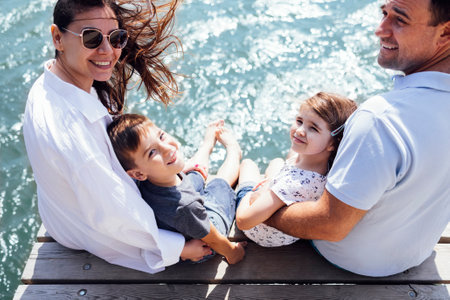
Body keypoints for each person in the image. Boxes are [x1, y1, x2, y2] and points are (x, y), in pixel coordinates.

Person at [257, 0, 450, 276]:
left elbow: (329, 225)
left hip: (350, 263)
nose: (380, 30)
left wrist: (262, 213)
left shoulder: (380, 118)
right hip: (414, 253)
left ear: (445, 33)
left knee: (269, 173)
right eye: (384, 13)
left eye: (400, 20)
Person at [22, 0, 212, 274]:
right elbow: (114, 215)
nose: (108, 50)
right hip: (86, 231)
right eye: (91, 38)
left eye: (116, 38)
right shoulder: (74, 137)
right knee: (214, 210)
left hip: (63, 216)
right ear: (57, 38)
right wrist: (177, 248)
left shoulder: (50, 84)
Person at [107, 114, 247, 264]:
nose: (167, 148)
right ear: (139, 174)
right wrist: (233, 253)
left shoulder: (150, 178)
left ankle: (206, 147)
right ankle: (234, 152)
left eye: (161, 136)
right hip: (202, 241)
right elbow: (214, 239)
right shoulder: (186, 206)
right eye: (152, 152)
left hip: (184, 210)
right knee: (220, 185)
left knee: (194, 171)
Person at [235, 93, 357, 247]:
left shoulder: (291, 183)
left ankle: (236, 157)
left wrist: (254, 192)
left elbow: (243, 221)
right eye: (299, 121)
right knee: (277, 162)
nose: (300, 130)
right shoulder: (327, 167)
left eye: (313, 128)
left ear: (333, 144)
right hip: (288, 235)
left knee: (247, 164)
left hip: (258, 232)